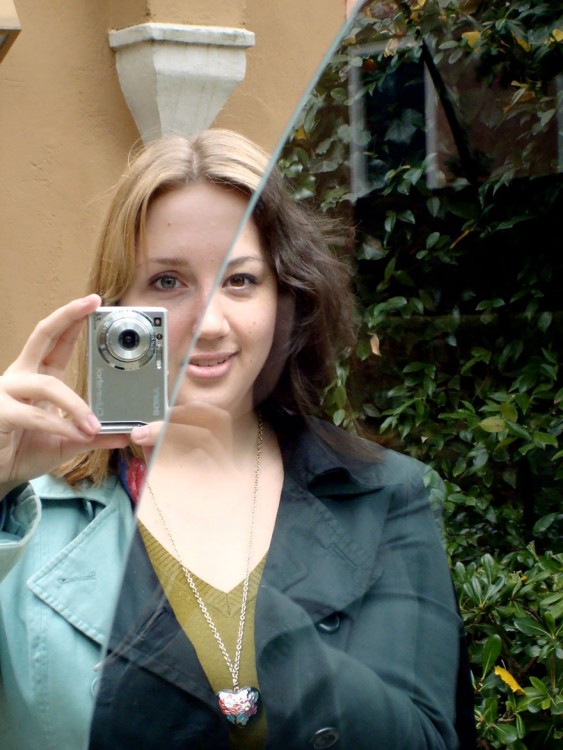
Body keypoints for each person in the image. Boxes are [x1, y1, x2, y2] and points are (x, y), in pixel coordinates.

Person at [0, 129, 473, 750]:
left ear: (286, 298)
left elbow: (428, 738)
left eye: (241, 280)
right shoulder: (24, 515)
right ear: (116, 309)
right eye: (167, 282)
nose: (211, 323)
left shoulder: (387, 497)